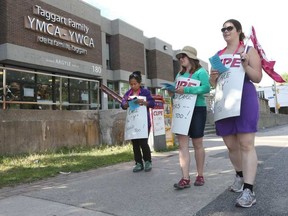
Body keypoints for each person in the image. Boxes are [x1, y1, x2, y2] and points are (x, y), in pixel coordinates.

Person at [209, 19, 262, 208]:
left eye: (229, 28)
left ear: (238, 31)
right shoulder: (217, 56)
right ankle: (240, 175)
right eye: (222, 28)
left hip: (245, 98)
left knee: (246, 144)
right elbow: (212, 84)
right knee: (231, 145)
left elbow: (257, 77)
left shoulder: (248, 50)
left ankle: (249, 190)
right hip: (224, 101)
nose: (225, 31)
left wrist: (246, 65)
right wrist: (213, 78)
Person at [171, 46, 210, 189]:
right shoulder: (179, 75)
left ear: (192, 57)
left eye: (184, 56)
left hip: (197, 109)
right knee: (182, 145)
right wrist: (173, 93)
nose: (181, 59)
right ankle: (185, 178)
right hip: (182, 110)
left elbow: (206, 88)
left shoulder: (201, 72)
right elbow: (177, 91)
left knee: (197, 143)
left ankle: (200, 175)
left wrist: (186, 89)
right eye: (179, 57)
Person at [121, 71, 155, 172]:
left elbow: (152, 103)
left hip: (144, 123)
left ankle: (148, 161)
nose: (133, 86)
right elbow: (122, 104)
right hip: (133, 123)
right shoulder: (128, 94)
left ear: (139, 83)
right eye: (131, 84)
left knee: (143, 143)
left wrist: (143, 102)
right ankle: (138, 163)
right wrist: (126, 104)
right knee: (135, 143)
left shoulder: (145, 92)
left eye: (135, 83)